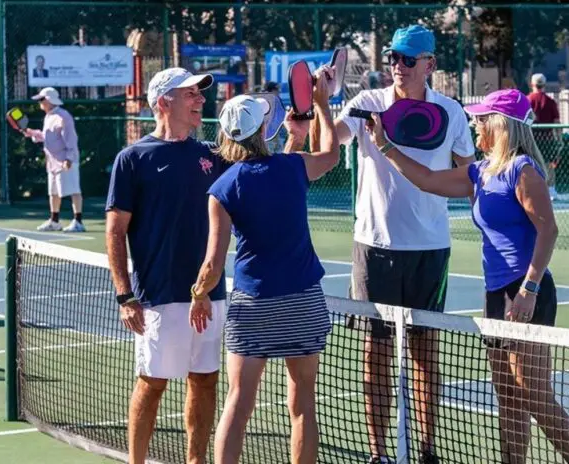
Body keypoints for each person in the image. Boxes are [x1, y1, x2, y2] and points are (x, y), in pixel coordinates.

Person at [369, 88, 569, 464]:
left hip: (526, 291)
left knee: (534, 394)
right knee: (508, 397)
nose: (474, 123)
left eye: (481, 117)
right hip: (495, 295)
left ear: (499, 125)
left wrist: (529, 288)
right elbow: (425, 179)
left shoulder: (522, 172)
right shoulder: (479, 172)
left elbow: (548, 230)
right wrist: (386, 146)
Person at [323, 25, 476, 464]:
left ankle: (427, 451)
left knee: (427, 355)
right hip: (374, 247)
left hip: (431, 249)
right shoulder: (367, 103)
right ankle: (378, 454)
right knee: (376, 354)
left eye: (409, 59)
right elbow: (329, 141)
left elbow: (469, 173)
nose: (398, 66)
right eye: (393, 57)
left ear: (430, 63)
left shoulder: (451, 112)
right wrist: (319, 101)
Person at [188, 71, 339, 464]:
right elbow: (332, 156)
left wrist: (199, 295)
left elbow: (212, 263)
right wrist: (321, 105)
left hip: (253, 306)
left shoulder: (223, 188)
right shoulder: (292, 167)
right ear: (262, 130)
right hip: (302, 300)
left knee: (238, 404)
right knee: (303, 400)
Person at [105, 67, 229, 464]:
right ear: (163, 102)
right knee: (152, 384)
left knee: (205, 380)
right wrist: (125, 294)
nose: (201, 100)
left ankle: (196, 460)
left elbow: (261, 166)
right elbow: (115, 232)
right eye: (190, 93)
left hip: (210, 296)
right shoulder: (133, 159)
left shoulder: (212, 156)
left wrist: (298, 133)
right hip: (159, 297)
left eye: (199, 94)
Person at [24, 87, 85, 232]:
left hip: (65, 161)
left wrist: (69, 159)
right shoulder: (48, 117)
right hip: (52, 162)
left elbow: (71, 139)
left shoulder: (64, 117)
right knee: (54, 193)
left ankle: (78, 221)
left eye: (41, 99)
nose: (39, 102)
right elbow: (48, 137)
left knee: (73, 190)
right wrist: (33, 133)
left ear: (49, 101)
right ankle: (55, 221)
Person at [528, 73, 561, 201]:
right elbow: (557, 123)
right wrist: (559, 139)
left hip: (531, 139)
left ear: (532, 84)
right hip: (547, 139)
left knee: (530, 164)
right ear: (544, 85)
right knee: (549, 164)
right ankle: (551, 189)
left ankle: (532, 189)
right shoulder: (550, 102)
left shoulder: (527, 100)